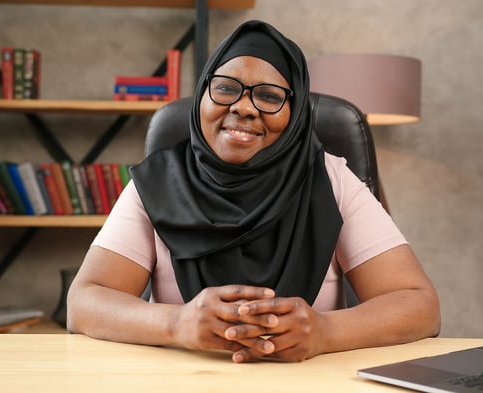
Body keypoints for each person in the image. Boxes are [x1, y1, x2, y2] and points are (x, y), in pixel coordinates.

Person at [67, 19, 440, 363]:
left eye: (268, 95)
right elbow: (84, 302)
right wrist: (177, 323)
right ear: (202, 97)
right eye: (226, 88)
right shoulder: (157, 182)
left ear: (295, 112)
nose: (244, 108)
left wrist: (326, 331)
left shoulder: (331, 179)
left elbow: (420, 306)